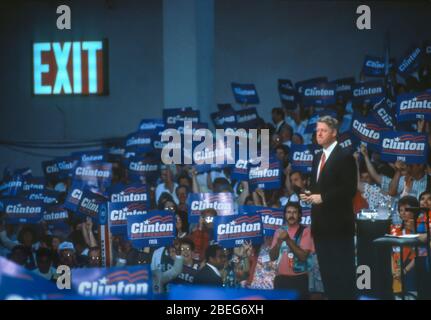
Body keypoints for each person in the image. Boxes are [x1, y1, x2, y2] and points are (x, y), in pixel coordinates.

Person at [300, 115, 357, 300]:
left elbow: (349, 189)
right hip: (321, 227)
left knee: (342, 275)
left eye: (323, 130)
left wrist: (322, 197)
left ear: (334, 132)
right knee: (328, 277)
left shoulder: (345, 156)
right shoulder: (317, 157)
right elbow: (319, 188)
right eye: (317, 131)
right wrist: (310, 195)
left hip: (339, 227)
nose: (319, 134)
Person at [269, 202, 314, 299]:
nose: (291, 215)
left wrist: (288, 239)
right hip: (281, 279)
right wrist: (279, 242)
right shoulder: (279, 231)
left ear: (299, 215)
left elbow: (303, 256)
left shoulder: (306, 231)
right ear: (285, 215)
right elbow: (272, 257)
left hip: (299, 279)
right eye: (289, 212)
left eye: (294, 212)